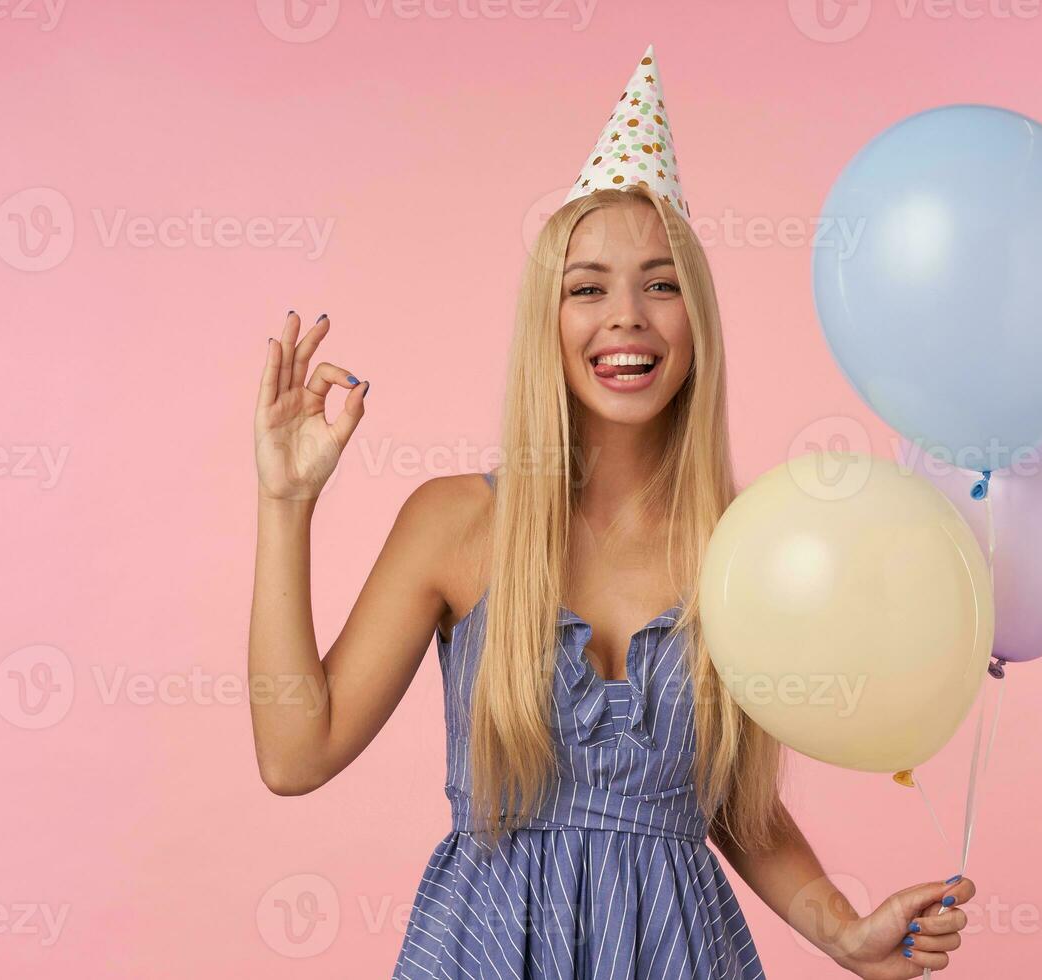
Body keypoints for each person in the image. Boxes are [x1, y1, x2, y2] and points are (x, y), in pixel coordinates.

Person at [248, 45, 974, 980]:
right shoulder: (454, 525)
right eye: (587, 286)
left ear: (697, 321)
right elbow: (294, 753)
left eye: (661, 284)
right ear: (546, 322)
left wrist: (839, 928)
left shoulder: (744, 546)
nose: (625, 315)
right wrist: (285, 501)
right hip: (484, 951)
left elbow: (729, 804)